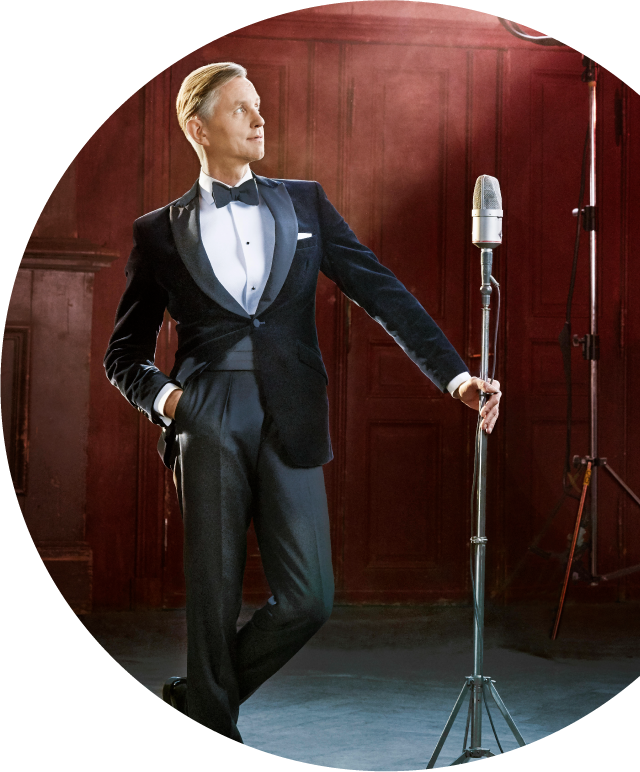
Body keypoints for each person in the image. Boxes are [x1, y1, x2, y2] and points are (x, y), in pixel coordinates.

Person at [104, 62, 502, 744]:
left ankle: (201, 697)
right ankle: (212, 715)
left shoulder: (305, 203)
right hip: (207, 414)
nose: (261, 120)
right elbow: (122, 355)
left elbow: (383, 293)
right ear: (198, 129)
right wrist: (172, 403)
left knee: (310, 598)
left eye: (260, 107)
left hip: (291, 413)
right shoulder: (157, 233)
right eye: (241, 110)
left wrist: (457, 378)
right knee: (213, 599)